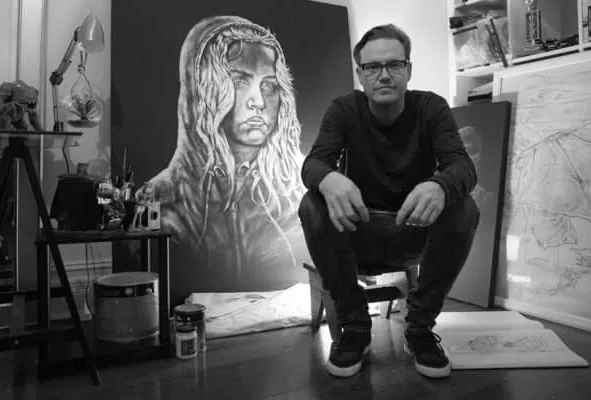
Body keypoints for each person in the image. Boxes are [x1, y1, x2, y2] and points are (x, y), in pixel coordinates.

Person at [298, 24, 480, 378]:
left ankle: (419, 328)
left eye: (394, 65)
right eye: (372, 67)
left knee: (464, 207)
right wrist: (329, 179)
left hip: (413, 229)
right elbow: (314, 163)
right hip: (359, 230)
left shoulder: (431, 108)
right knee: (312, 204)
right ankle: (355, 327)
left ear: (408, 70)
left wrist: (440, 185)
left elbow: (463, 167)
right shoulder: (344, 109)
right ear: (360, 74)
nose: (383, 75)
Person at [144, 16, 309, 292]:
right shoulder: (164, 199)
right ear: (204, 89)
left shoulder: (300, 189)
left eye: (269, 85)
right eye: (240, 81)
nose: (258, 102)